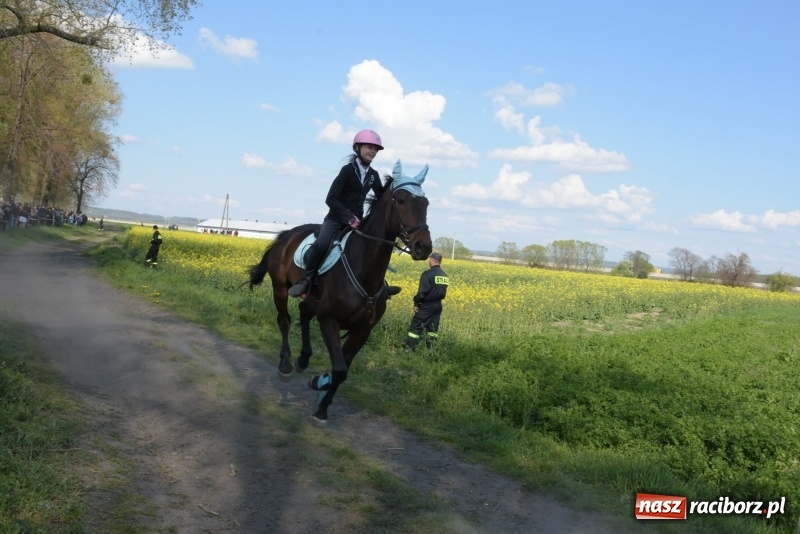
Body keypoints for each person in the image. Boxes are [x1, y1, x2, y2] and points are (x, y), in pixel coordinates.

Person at [288, 129, 386, 298]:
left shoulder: (373, 175)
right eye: (370, 147)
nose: (373, 151)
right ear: (358, 147)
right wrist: (348, 217)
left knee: (373, 248)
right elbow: (331, 198)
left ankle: (378, 285)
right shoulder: (347, 171)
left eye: (376, 149)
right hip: (336, 219)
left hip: (358, 221)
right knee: (322, 243)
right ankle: (306, 278)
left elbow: (381, 198)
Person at [404, 252, 449, 350]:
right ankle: (430, 350)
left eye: (430, 259)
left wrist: (416, 303)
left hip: (427, 305)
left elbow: (422, 293)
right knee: (432, 328)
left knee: (416, 326)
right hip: (438, 306)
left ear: (432, 260)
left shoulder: (427, 274)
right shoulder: (444, 275)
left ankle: (408, 349)